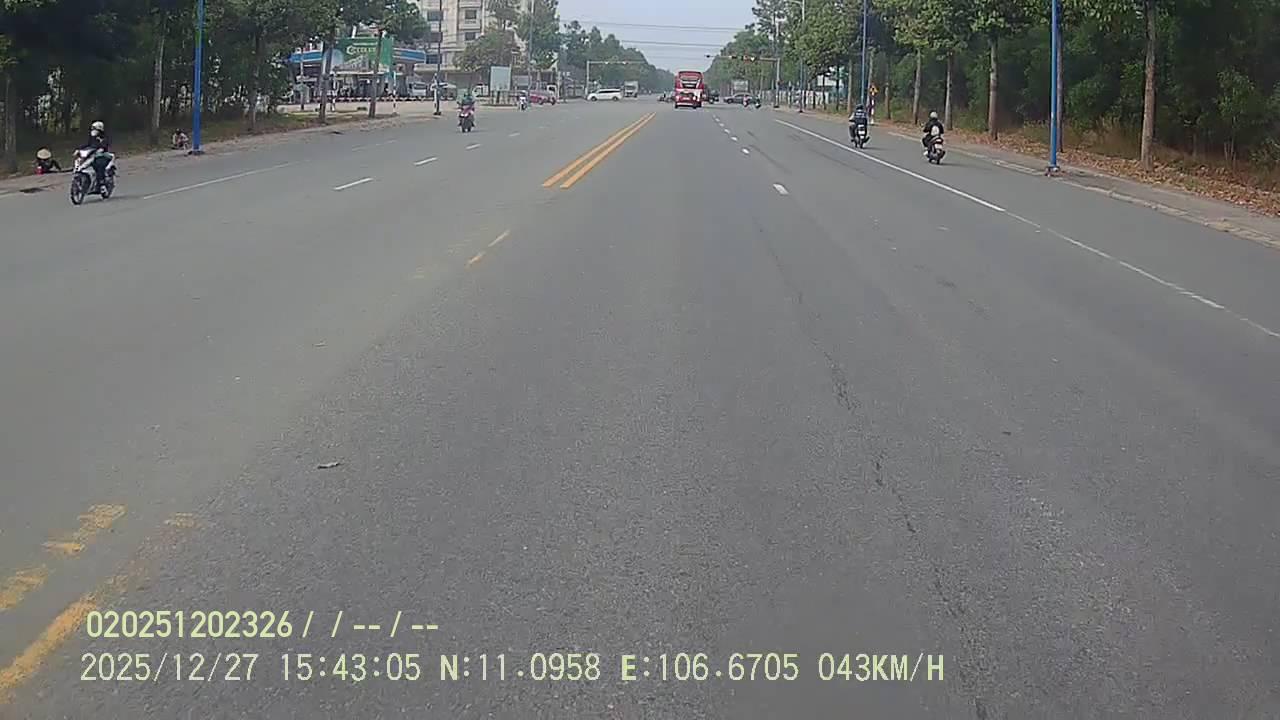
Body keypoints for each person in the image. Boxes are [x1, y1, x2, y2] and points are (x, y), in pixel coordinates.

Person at [82, 120, 113, 186]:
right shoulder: (92, 138)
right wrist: (79, 150)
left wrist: (101, 149)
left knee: (99, 164)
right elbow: (88, 145)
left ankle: (101, 182)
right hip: (92, 155)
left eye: (94, 129)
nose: (93, 130)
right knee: (83, 163)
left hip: (103, 155)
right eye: (92, 129)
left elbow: (104, 145)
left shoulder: (103, 137)